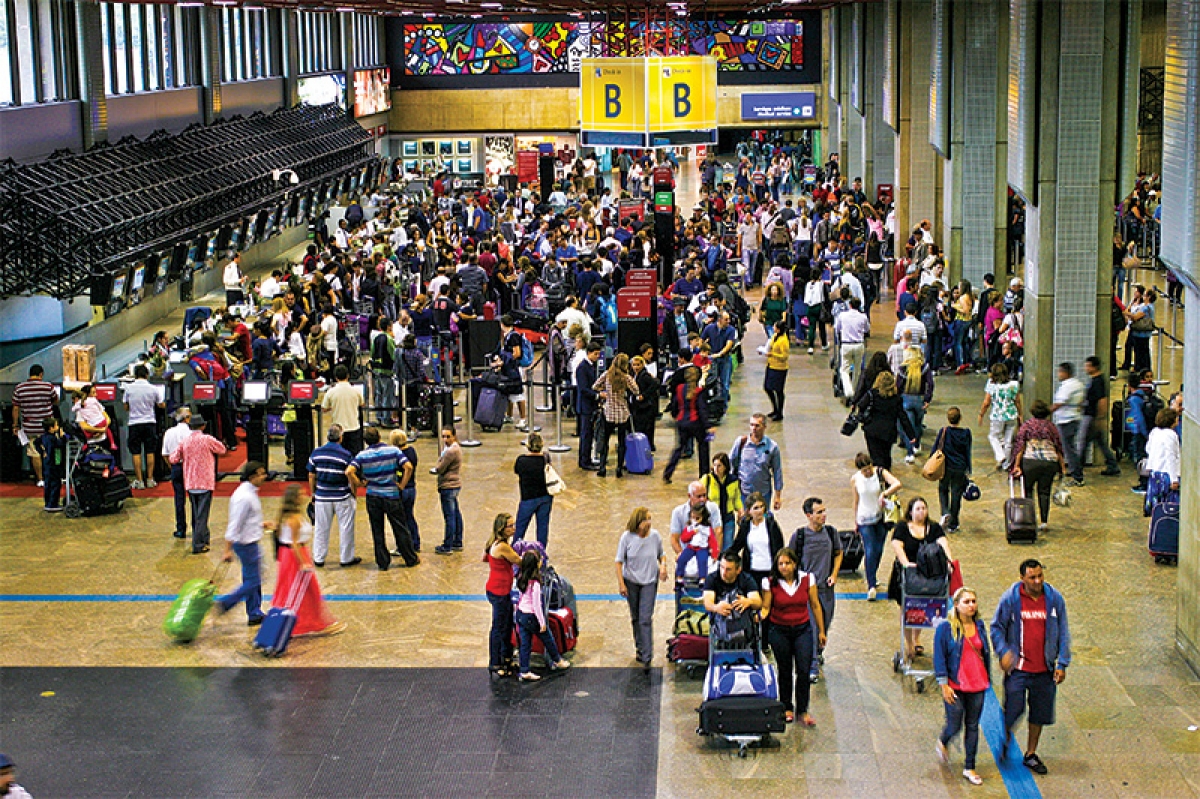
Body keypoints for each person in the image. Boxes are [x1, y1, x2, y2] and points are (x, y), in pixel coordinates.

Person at [991, 559, 1071, 776]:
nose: (1037, 581)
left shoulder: (1054, 599)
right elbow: (996, 627)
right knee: (1013, 709)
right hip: (1018, 669)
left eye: (1040, 576)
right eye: (1032, 577)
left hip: (1044, 669)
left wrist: (1062, 663)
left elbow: (1063, 631)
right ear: (1022, 578)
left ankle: (1031, 753)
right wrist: (1003, 651)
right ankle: (1007, 737)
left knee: (1039, 713)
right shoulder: (1011, 599)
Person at [269, 486, 346, 637]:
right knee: (297, 590)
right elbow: (294, 543)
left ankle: (313, 622)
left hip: (293, 554)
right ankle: (295, 624)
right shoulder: (293, 519)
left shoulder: (290, 516)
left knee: (304, 590)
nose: (304, 495)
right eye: (300, 494)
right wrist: (303, 562)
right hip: (295, 556)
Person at [933, 587, 992, 786]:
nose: (971, 605)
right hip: (955, 685)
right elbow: (939, 657)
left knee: (973, 726)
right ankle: (944, 739)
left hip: (977, 683)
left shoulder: (980, 626)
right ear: (956, 605)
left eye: (973, 601)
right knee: (955, 723)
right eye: (966, 602)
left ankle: (970, 766)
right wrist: (943, 684)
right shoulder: (945, 628)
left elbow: (984, 652)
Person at [760, 547, 825, 726]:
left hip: (802, 630)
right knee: (785, 669)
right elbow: (766, 607)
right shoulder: (769, 583)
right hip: (779, 631)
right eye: (780, 564)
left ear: (795, 564)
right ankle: (786, 706)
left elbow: (815, 605)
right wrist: (758, 615)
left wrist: (821, 630)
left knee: (803, 670)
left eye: (787, 563)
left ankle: (803, 710)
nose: (784, 567)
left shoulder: (807, 579)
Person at [347, 426, 419, 570]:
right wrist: (402, 485)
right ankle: (410, 558)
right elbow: (408, 467)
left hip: (373, 496)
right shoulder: (393, 451)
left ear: (366, 441)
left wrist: (359, 483)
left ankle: (382, 562)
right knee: (400, 528)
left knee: (377, 530)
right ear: (379, 436)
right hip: (391, 495)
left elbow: (349, 471)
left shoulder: (362, 455)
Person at [888, 497, 953, 658]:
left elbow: (943, 544)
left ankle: (916, 638)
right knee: (907, 608)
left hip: (928, 574)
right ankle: (908, 642)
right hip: (908, 575)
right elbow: (897, 545)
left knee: (923, 607)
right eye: (918, 509)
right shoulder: (902, 527)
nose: (921, 512)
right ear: (910, 512)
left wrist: (949, 561)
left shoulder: (934, 528)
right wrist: (905, 563)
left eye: (924, 508)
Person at [788, 497, 844, 683]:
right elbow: (789, 559)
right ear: (808, 515)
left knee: (823, 626)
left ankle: (818, 652)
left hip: (826, 589)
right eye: (819, 512)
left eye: (824, 511)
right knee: (811, 629)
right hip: (807, 592)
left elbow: (838, 553)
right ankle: (811, 666)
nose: (823, 515)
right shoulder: (800, 536)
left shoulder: (831, 533)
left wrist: (834, 574)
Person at [214, 461, 270, 626]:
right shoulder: (244, 497)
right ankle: (227, 603)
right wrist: (227, 550)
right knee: (254, 581)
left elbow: (247, 519)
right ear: (252, 476)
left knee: (253, 579)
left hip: (249, 542)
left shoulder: (249, 492)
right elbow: (235, 524)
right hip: (246, 545)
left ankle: (254, 612)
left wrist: (260, 524)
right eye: (261, 474)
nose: (265, 477)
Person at [615, 506, 669, 672]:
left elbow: (662, 554)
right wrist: (621, 583)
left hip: (649, 581)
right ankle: (640, 648)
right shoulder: (626, 538)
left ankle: (647, 655)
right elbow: (619, 562)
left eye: (650, 519)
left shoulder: (655, 536)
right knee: (636, 617)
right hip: (631, 581)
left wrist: (663, 566)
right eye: (646, 519)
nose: (649, 523)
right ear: (638, 522)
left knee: (645, 618)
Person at [169, 416, 226, 554]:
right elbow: (222, 450)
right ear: (203, 426)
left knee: (196, 514)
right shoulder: (207, 439)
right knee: (202, 516)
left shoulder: (185, 441)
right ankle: (198, 544)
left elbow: (173, 458)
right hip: (205, 482)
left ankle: (204, 539)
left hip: (190, 482)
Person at [306, 424, 360, 569]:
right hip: (342, 496)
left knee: (321, 528)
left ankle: (319, 557)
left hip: (322, 496)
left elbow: (311, 475)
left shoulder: (316, 453)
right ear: (340, 437)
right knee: (346, 528)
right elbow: (350, 475)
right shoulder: (346, 455)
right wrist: (354, 493)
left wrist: (313, 494)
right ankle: (346, 558)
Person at [850, 453, 901, 601]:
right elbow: (856, 500)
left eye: (869, 468)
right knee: (870, 549)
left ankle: (872, 573)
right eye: (864, 470)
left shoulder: (880, 472)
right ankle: (871, 584)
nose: (868, 472)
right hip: (864, 518)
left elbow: (897, 483)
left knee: (878, 549)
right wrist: (855, 520)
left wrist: (885, 493)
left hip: (881, 517)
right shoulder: (855, 479)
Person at [514, 551, 572, 682]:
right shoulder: (535, 584)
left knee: (525, 644)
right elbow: (536, 605)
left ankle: (524, 670)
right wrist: (542, 623)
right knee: (548, 638)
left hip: (521, 614)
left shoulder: (521, 578)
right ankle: (557, 660)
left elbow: (521, 597)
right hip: (531, 616)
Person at [1010, 400, 1067, 532]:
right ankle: (1044, 522)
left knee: (1028, 490)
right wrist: (1062, 467)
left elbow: (1020, 447)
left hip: (1030, 462)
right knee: (1044, 492)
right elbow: (1058, 448)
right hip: (1049, 462)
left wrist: (1016, 465)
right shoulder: (1051, 427)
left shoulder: (1027, 426)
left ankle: (1030, 519)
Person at [662, 353, 712, 484]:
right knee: (703, 448)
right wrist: (708, 426)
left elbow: (674, 404)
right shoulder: (699, 391)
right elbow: (702, 409)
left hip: (682, 421)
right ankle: (704, 475)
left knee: (679, 448)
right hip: (696, 422)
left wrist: (676, 416)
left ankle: (668, 472)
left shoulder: (679, 389)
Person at [591, 352, 642, 478]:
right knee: (621, 442)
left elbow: (595, 386)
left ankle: (602, 468)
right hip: (622, 413)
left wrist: (605, 391)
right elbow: (636, 390)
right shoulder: (626, 378)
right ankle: (619, 468)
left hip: (609, 412)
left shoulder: (607, 375)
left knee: (605, 440)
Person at [484, 513, 521, 678]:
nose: (513, 528)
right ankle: (495, 662)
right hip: (499, 592)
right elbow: (518, 561)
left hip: (501, 590)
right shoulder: (502, 546)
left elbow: (485, 557)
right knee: (499, 627)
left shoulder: (496, 543)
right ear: (501, 528)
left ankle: (506, 656)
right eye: (510, 526)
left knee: (506, 625)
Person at [13, 364, 60, 488]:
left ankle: (40, 480)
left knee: (35, 453)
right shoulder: (48, 386)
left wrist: (15, 425)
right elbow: (56, 401)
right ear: (41, 374)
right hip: (48, 426)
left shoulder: (19, 388)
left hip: (30, 427)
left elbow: (16, 408)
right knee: (50, 451)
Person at [858, 372, 916, 472]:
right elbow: (903, 417)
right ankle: (886, 473)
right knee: (886, 456)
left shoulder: (871, 394)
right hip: (888, 433)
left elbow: (861, 406)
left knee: (875, 457)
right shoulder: (896, 398)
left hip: (872, 431)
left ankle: (878, 475)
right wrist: (911, 434)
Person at [729, 490, 786, 587]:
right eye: (756, 508)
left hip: (770, 572)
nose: (760, 510)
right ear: (749, 511)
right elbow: (736, 546)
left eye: (761, 506)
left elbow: (780, 548)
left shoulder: (771, 524)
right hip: (751, 572)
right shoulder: (746, 526)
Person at [121, 364, 164, 490]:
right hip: (150, 422)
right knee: (150, 451)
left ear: (135, 375)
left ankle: (139, 481)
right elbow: (161, 404)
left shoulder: (129, 389)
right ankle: (150, 479)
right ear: (147, 375)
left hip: (134, 423)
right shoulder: (153, 388)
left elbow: (126, 407)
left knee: (136, 452)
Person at [730, 414, 784, 511]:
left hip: (763, 493)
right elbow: (731, 462)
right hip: (744, 492)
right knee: (745, 517)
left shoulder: (772, 447)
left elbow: (777, 471)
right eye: (751, 425)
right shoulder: (741, 443)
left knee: (762, 517)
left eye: (757, 425)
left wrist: (778, 496)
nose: (754, 428)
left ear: (764, 427)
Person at [1080, 356, 1120, 477]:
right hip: (1092, 416)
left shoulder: (1098, 382)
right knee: (1100, 443)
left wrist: (1100, 417)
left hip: (1092, 417)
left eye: (1088, 366)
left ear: (1094, 367)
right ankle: (1112, 464)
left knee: (1084, 442)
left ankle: (1078, 468)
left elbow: (1102, 400)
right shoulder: (1094, 380)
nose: (1086, 368)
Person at [978, 363, 1023, 470]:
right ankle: (1006, 464)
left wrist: (981, 414)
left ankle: (1000, 456)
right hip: (1011, 415)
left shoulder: (991, 385)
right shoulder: (1014, 384)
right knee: (1008, 441)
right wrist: (1020, 414)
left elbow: (986, 402)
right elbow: (1017, 401)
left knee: (993, 436)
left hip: (997, 416)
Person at [513, 432, 554, 546]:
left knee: (520, 528)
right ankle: (541, 552)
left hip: (528, 498)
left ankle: (515, 550)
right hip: (545, 496)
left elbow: (517, 471)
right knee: (543, 527)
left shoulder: (521, 460)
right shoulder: (545, 458)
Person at [1051, 362, 1087, 486]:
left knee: (1069, 449)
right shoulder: (1079, 384)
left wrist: (1045, 412)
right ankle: (1065, 471)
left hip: (1066, 421)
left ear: (1065, 373)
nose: (1058, 375)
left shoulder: (1068, 386)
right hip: (1074, 418)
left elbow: (1059, 403)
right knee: (1068, 447)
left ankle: (1077, 476)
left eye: (1060, 372)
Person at [669, 481, 723, 563]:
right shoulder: (678, 512)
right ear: (689, 496)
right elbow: (674, 538)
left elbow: (718, 532)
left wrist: (715, 555)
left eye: (704, 495)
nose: (703, 499)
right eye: (699, 496)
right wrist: (682, 554)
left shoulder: (713, 508)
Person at [161, 408, 192, 539]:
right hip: (190, 467)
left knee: (179, 499)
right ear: (187, 418)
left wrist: (172, 466)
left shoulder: (169, 432)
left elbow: (165, 454)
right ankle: (197, 527)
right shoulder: (192, 433)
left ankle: (180, 529)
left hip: (176, 467)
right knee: (195, 498)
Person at [701, 453, 743, 551]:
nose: (716, 468)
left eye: (719, 465)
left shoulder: (733, 481)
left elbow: (736, 498)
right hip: (711, 517)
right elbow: (699, 496)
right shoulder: (707, 479)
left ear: (725, 466)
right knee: (712, 546)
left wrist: (740, 510)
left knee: (728, 546)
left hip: (728, 516)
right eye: (714, 465)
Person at [433, 427, 464, 555]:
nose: (445, 439)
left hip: (448, 485)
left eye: (448, 436)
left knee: (449, 516)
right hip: (454, 485)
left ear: (454, 436)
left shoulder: (450, 451)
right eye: (443, 436)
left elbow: (440, 468)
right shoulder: (455, 448)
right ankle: (457, 541)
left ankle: (448, 545)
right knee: (456, 513)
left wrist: (437, 465)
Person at [389, 429, 421, 553]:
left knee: (401, 520)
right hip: (412, 488)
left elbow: (407, 468)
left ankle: (403, 546)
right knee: (409, 516)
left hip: (403, 490)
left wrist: (401, 484)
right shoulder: (412, 451)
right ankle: (415, 542)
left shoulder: (398, 455)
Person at [321, 365, 364, 454]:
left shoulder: (331, 392)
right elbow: (362, 404)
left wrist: (333, 407)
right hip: (354, 427)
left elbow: (324, 408)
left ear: (336, 377)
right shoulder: (356, 391)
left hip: (338, 430)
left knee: (339, 455)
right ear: (348, 376)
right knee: (354, 455)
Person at [574, 340, 603, 470]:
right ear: (589, 353)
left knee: (589, 434)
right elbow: (583, 389)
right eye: (595, 354)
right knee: (585, 435)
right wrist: (598, 395)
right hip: (585, 406)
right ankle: (584, 461)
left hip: (590, 405)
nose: (597, 357)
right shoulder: (582, 368)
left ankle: (588, 459)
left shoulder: (590, 366)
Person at [1145, 407, 1182, 512]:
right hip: (1167, 475)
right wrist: (1174, 479)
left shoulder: (1154, 432)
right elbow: (1171, 457)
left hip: (1155, 473)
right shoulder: (1171, 435)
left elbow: (1148, 448)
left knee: (1156, 505)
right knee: (1169, 507)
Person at [834, 297, 870, 400]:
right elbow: (867, 329)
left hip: (846, 344)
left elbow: (837, 328)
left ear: (850, 305)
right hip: (859, 344)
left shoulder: (842, 316)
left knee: (844, 369)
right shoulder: (863, 317)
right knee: (857, 370)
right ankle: (854, 391)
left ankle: (848, 390)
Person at [676, 503, 719, 580]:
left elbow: (713, 542)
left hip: (702, 548)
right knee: (681, 559)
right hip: (691, 547)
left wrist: (715, 554)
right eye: (692, 517)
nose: (694, 520)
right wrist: (692, 533)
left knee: (702, 561)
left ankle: (702, 578)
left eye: (697, 518)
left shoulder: (707, 529)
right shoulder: (689, 527)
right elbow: (683, 538)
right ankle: (679, 576)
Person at [629, 355, 660, 452]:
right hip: (639, 406)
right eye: (634, 365)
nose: (636, 367)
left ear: (642, 365)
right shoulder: (634, 375)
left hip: (645, 407)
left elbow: (655, 384)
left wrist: (644, 395)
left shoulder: (645, 375)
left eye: (638, 365)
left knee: (646, 428)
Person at [35, 417, 66, 512]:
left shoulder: (43, 437)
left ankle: (48, 502)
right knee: (55, 484)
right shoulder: (52, 438)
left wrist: (42, 452)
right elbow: (60, 444)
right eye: (56, 425)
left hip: (47, 463)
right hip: (54, 463)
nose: (58, 427)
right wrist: (63, 437)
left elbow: (36, 442)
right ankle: (52, 504)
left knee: (48, 484)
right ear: (51, 428)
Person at [762, 322, 790, 421]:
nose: (773, 328)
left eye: (775, 327)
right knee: (767, 387)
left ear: (778, 329)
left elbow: (784, 356)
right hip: (771, 365)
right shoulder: (775, 336)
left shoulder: (784, 341)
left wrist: (772, 354)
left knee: (778, 390)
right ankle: (775, 408)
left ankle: (779, 412)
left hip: (779, 368)